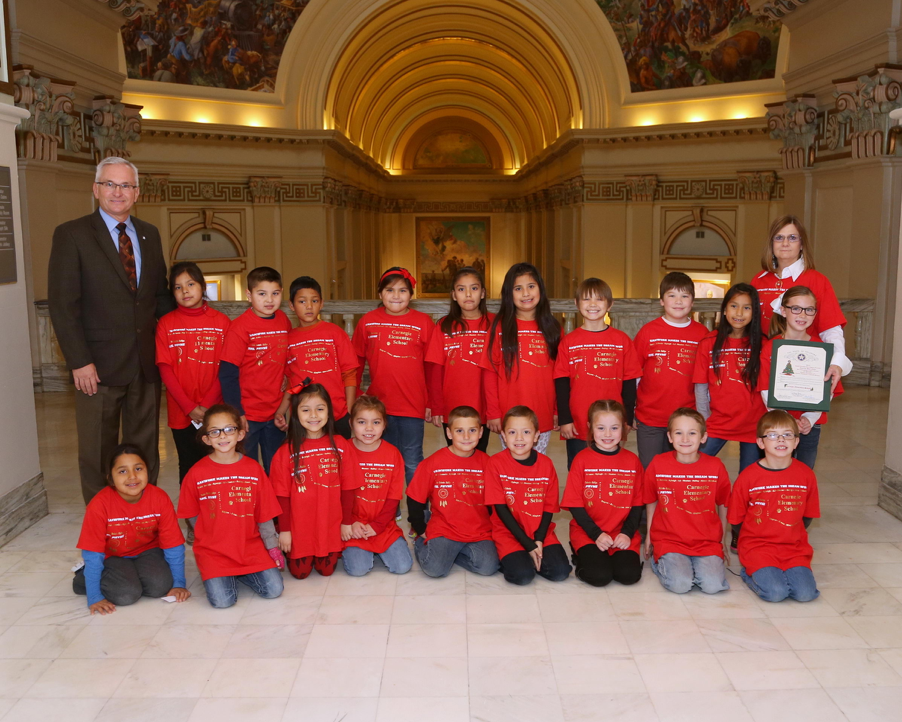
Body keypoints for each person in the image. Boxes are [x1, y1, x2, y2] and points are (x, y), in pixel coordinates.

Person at [48, 157, 174, 504]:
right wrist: (79, 361)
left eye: (126, 186)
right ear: (96, 189)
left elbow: (159, 295)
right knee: (97, 450)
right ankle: (102, 522)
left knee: (144, 447)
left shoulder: (149, 234)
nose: (118, 192)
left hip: (145, 365)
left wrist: (184, 333)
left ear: (137, 193)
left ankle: (145, 516)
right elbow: (63, 305)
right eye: (110, 184)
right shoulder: (72, 234)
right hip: (96, 368)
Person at [177, 404, 285, 609]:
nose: (222, 436)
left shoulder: (253, 469)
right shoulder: (196, 473)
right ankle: (219, 574)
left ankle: (240, 572)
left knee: (274, 590)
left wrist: (271, 547)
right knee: (223, 601)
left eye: (229, 429)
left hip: (250, 547)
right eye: (214, 431)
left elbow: (265, 514)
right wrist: (208, 536)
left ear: (241, 434)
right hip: (214, 552)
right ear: (206, 439)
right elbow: (191, 516)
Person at [155, 261, 230, 543]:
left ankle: (222, 518)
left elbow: (226, 368)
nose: (185, 291)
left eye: (190, 284)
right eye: (177, 287)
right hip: (181, 413)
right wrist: (190, 407)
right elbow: (165, 369)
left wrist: (207, 407)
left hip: (216, 412)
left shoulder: (221, 323)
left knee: (219, 463)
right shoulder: (166, 324)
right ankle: (193, 521)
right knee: (188, 467)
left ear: (202, 286)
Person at [74, 444, 190, 614]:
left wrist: (179, 584)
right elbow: (93, 553)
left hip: (147, 551)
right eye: (122, 471)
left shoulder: (159, 498)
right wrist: (94, 596)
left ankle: (130, 574)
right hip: (111, 556)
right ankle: (82, 577)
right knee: (126, 595)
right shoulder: (99, 505)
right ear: (111, 479)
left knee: (161, 587)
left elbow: (173, 545)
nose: (132, 476)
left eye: (138, 468)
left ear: (147, 472)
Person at [270, 382, 362, 580]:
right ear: (295, 414)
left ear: (329, 411)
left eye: (320, 409)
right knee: (300, 574)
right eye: (306, 410)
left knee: (326, 571)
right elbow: (281, 496)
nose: (313, 415)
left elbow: (348, 489)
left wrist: (346, 523)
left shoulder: (341, 445)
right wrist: (285, 531)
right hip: (298, 528)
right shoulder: (284, 451)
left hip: (329, 525)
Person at [352, 267, 434, 488]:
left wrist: (431, 403)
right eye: (390, 290)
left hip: (412, 405)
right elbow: (355, 362)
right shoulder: (367, 322)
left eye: (403, 290)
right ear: (380, 294)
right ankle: (389, 512)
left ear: (411, 294)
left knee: (412, 461)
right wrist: (356, 395)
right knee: (384, 462)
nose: (396, 296)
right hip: (378, 408)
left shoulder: (424, 322)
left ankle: (418, 516)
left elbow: (432, 369)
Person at [728, 410, 820, 602]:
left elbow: (807, 516)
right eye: (772, 435)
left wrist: (789, 533)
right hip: (758, 548)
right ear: (761, 443)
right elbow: (736, 520)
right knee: (776, 593)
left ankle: (778, 572)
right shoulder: (748, 477)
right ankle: (750, 573)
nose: (781, 440)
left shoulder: (806, 475)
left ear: (796, 441)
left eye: (787, 435)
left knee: (806, 594)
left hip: (794, 548)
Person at [751, 215, 847, 391]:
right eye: (779, 237)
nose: (785, 243)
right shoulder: (758, 280)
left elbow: (831, 329)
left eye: (792, 238)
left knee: (801, 417)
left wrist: (837, 362)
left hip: (803, 368)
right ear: (771, 244)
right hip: (764, 367)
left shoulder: (817, 281)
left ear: (801, 245)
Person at [759, 285, 849, 469]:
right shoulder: (771, 347)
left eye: (809, 310)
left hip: (810, 425)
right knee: (775, 470)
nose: (802, 315)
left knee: (804, 472)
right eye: (796, 309)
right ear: (783, 311)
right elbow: (765, 388)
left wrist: (809, 418)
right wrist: (787, 420)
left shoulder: (822, 349)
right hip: (777, 425)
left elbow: (828, 388)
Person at [555, 277, 642, 469]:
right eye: (586, 299)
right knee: (578, 469)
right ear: (577, 304)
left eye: (599, 299)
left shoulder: (622, 340)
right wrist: (565, 419)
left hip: (612, 423)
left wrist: (627, 417)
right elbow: (561, 382)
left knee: (609, 470)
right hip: (578, 422)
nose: (593, 304)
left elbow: (629, 382)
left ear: (610, 304)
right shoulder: (569, 342)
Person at [643, 408, 731, 594]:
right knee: (680, 585)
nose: (685, 439)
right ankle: (661, 561)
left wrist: (722, 539)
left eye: (692, 433)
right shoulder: (658, 463)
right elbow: (651, 500)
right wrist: (649, 535)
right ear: (669, 437)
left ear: (703, 437)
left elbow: (724, 503)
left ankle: (692, 566)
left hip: (706, 541)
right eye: (678, 433)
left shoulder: (715, 467)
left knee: (713, 586)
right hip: (670, 540)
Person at [406, 406, 499, 578]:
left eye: (472, 430)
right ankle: (422, 543)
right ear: (449, 434)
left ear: (480, 433)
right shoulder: (433, 463)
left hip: (478, 530)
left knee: (489, 567)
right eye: (459, 431)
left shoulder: (488, 463)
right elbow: (414, 498)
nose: (466, 437)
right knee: (434, 570)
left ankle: (451, 556)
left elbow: (495, 504)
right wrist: (420, 528)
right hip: (445, 529)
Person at [485, 406, 572, 585]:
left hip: (540, 531)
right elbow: (500, 510)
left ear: (536, 436)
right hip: (509, 532)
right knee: (523, 576)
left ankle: (527, 558)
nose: (519, 438)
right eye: (512, 432)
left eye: (526, 432)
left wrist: (538, 539)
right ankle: (517, 559)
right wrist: (528, 544)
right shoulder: (495, 464)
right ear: (503, 435)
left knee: (560, 572)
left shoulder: (546, 465)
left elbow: (549, 508)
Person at [480, 263, 562, 453]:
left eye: (531, 286)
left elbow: (560, 374)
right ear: (509, 294)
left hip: (542, 414)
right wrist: (493, 412)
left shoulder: (553, 329)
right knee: (512, 467)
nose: (526, 293)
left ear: (540, 288)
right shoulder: (499, 328)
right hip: (509, 416)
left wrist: (558, 411)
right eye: (518, 288)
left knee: (536, 466)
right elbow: (489, 373)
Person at [562, 400, 644, 587]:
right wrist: (596, 534)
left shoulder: (632, 461)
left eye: (614, 428)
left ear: (623, 428)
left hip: (620, 532)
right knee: (599, 577)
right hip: (588, 532)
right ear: (590, 427)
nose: (608, 434)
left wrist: (626, 534)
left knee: (628, 576)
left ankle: (611, 557)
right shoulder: (581, 460)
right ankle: (582, 556)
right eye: (601, 428)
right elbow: (574, 504)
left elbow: (638, 504)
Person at [219, 266, 291, 474]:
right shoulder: (240, 327)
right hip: (248, 415)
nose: (269, 300)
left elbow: (287, 355)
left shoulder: (283, 321)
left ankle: (276, 507)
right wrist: (238, 413)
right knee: (247, 470)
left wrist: (286, 374)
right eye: (262, 294)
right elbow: (227, 374)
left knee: (277, 470)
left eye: (275, 294)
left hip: (276, 413)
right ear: (249, 295)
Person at [633, 272, 708, 468]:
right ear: (661, 300)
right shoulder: (648, 332)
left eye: (684, 296)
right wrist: (630, 410)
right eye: (672, 295)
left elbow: (706, 379)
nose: (678, 301)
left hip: (687, 420)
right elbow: (633, 374)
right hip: (650, 418)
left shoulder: (702, 334)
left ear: (693, 301)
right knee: (650, 471)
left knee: (680, 473)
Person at [693, 283, 766, 474]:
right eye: (734, 306)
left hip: (753, 424)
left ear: (754, 312)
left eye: (747, 307)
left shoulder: (763, 345)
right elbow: (701, 386)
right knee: (695, 467)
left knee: (748, 479)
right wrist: (704, 420)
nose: (739, 312)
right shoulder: (708, 343)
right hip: (717, 423)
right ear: (724, 309)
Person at [275, 276, 358, 439]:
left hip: (337, 414)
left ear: (322, 303)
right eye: (302, 301)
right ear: (291, 305)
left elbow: (349, 374)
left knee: (340, 461)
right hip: (303, 418)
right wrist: (281, 411)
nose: (309, 306)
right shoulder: (288, 340)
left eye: (314, 301)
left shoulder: (335, 333)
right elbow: (292, 382)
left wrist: (349, 411)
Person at [426, 266, 494, 453]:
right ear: (454, 295)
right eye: (461, 289)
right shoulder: (444, 325)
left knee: (479, 455)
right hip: (452, 406)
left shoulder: (495, 324)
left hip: (483, 407)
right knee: (457, 454)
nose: (468, 294)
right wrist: (437, 407)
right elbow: (436, 369)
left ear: (483, 293)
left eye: (474, 288)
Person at [343, 396, 413, 576]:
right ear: (351, 424)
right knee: (358, 570)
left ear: (384, 425)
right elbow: (336, 494)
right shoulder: (342, 451)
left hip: (382, 525)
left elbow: (393, 498)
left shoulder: (393, 454)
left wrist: (377, 526)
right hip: (353, 525)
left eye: (375, 422)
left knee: (402, 567)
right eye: (361, 422)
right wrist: (350, 522)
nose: (369, 428)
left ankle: (380, 548)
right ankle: (358, 550)